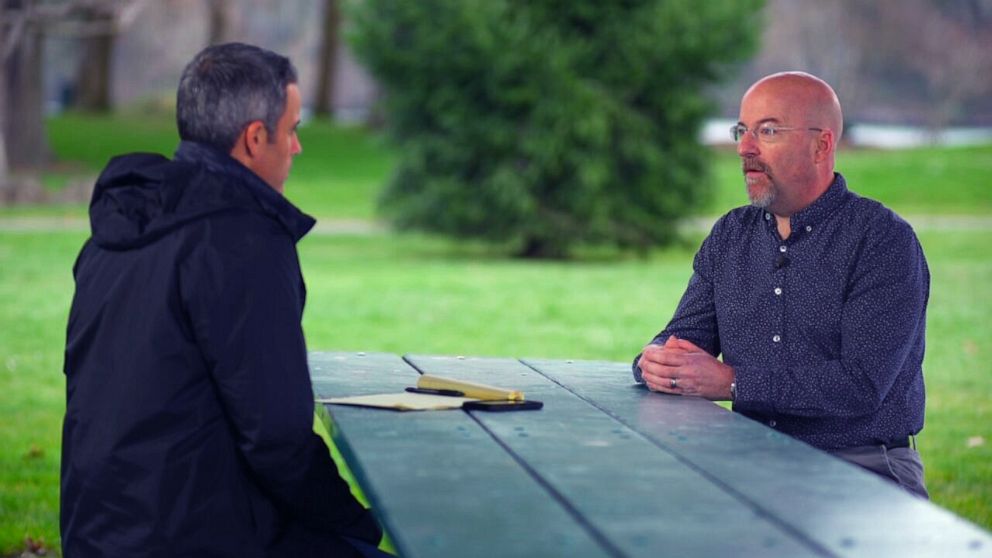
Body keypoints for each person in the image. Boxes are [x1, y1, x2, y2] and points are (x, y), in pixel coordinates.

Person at [62, 43, 385, 557]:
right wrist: (358, 522)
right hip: (196, 539)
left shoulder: (114, 232)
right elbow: (277, 439)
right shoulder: (243, 242)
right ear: (255, 138)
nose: (297, 147)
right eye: (293, 129)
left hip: (98, 536)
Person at [633, 71, 930, 499]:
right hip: (750, 459)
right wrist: (661, 363)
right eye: (742, 130)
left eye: (767, 131)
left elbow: (861, 386)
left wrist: (732, 383)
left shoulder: (882, 241)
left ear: (821, 145)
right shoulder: (731, 234)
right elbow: (686, 338)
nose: (744, 148)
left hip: (862, 465)